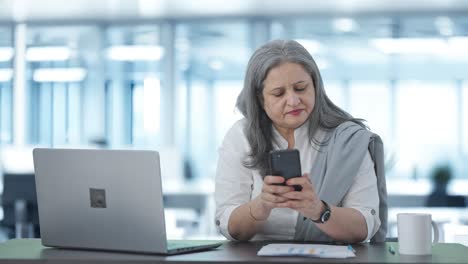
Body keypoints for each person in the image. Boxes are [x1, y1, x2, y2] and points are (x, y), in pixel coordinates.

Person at [215, 39, 386, 243]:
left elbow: (365, 226)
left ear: (315, 86)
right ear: (260, 99)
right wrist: (261, 206)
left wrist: (318, 210)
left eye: (301, 88)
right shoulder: (240, 136)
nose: (293, 100)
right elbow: (228, 225)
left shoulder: (347, 139)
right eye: (278, 93)